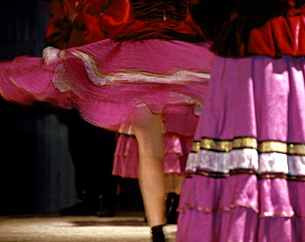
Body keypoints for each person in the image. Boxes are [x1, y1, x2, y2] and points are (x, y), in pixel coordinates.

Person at [0, 0, 214, 240]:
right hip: (178, 51)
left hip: (140, 56)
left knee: (150, 149)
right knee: (184, 146)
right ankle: (180, 220)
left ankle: (158, 229)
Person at [177, 0, 305, 241]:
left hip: (250, 50)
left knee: (247, 144)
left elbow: (208, 12)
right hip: (295, 45)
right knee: (295, 140)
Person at [42, 0, 130, 217]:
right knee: (78, 137)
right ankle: (87, 195)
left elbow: (119, 23)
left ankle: (108, 196)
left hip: (105, 68)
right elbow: (57, 27)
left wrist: (83, 19)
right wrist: (69, 20)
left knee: (103, 136)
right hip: (76, 69)